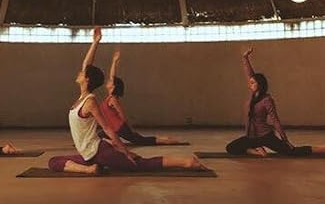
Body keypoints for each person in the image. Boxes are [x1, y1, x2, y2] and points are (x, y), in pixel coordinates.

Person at [48, 27, 206, 174]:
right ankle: (89, 169)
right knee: (53, 162)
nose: (79, 73)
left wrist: (124, 151)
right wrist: (96, 42)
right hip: (89, 155)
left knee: (142, 165)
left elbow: (108, 129)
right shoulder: (81, 97)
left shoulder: (89, 102)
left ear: (87, 80)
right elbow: (86, 65)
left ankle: (187, 162)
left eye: (83, 74)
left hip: (98, 152)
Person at [225, 47, 325, 157]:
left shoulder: (267, 100)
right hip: (251, 137)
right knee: (231, 148)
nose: (250, 85)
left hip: (265, 136)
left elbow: (275, 120)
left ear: (260, 84)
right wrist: (245, 58)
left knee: (292, 152)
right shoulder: (252, 96)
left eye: (253, 83)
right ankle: (258, 150)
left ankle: (324, 148)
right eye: (250, 83)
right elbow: (250, 74)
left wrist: (285, 140)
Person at [99, 50, 185, 145]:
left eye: (110, 82)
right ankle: (114, 142)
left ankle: (166, 140)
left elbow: (122, 115)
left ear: (113, 86)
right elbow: (113, 76)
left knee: (140, 141)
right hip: (113, 128)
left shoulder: (113, 99)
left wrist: (130, 129)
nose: (108, 81)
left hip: (120, 128)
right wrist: (114, 62)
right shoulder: (110, 97)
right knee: (99, 136)